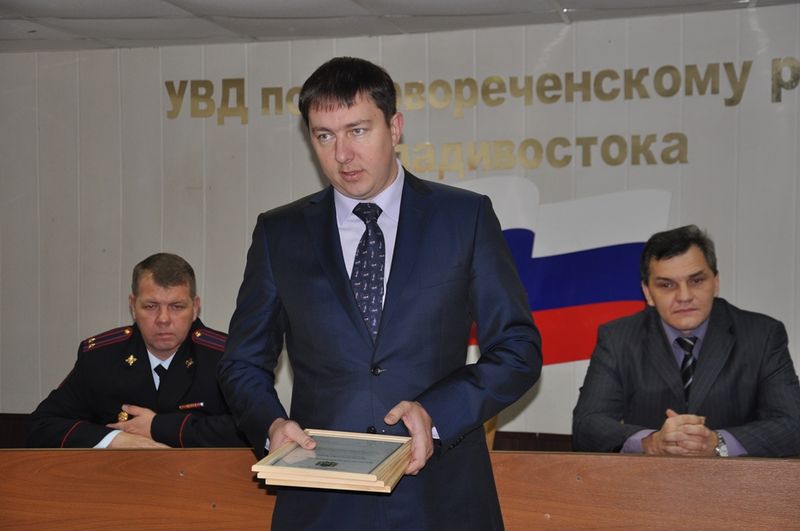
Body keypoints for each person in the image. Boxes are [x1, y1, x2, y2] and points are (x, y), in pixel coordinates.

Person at [218, 56, 541, 529]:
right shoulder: (279, 233)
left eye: (357, 131)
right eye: (324, 136)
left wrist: (435, 415)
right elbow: (242, 363)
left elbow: (517, 349)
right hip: (322, 501)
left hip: (441, 497)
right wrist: (271, 425)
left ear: (395, 127)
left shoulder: (463, 219)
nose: (342, 154)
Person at [572, 225, 800, 457]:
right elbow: (587, 426)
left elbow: (792, 425)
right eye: (667, 285)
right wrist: (650, 442)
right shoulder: (618, 339)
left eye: (696, 281)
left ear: (716, 282)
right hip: (649, 478)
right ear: (648, 293)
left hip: (737, 479)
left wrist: (718, 443)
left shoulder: (762, 335)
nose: (684, 296)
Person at [28, 253, 248, 449]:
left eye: (176, 306)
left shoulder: (225, 358)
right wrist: (114, 440)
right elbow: (41, 426)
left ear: (195, 308)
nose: (163, 319)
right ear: (133, 307)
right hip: (120, 478)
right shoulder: (101, 358)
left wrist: (158, 427)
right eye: (151, 306)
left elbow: (253, 428)